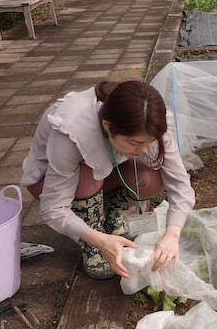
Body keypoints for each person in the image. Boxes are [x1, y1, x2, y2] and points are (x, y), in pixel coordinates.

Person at [21, 80, 195, 279]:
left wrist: (172, 235)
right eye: (135, 143)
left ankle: (114, 214)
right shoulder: (71, 130)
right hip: (51, 183)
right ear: (107, 125)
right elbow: (54, 208)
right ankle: (93, 235)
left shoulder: (151, 122)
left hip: (106, 173)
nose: (142, 149)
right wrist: (99, 240)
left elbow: (180, 185)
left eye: (150, 143)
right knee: (88, 179)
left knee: (150, 178)